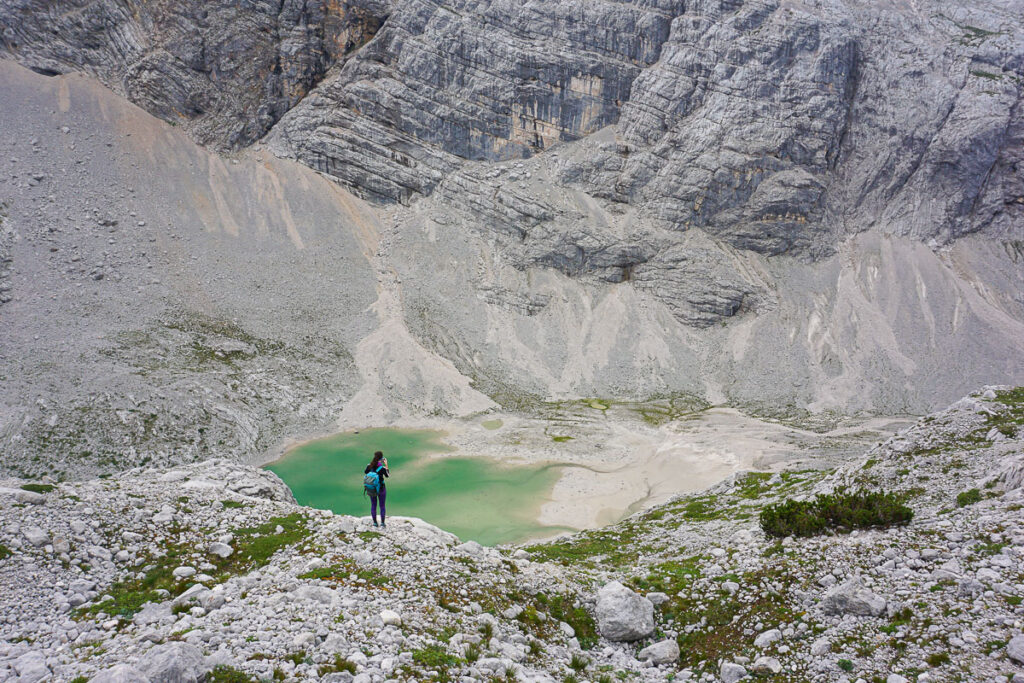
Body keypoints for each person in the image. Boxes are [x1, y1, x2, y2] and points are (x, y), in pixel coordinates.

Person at [365, 450, 389, 528]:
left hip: (372, 488)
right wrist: (386, 465)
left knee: (373, 505)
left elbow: (365, 472)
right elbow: (387, 475)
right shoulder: (382, 468)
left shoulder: (369, 466)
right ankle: (382, 523)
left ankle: (375, 523)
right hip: (381, 488)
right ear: (381, 459)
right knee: (382, 506)